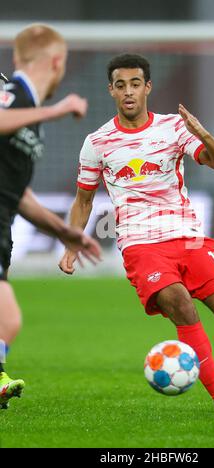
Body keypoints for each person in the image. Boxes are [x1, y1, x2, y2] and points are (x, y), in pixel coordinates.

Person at [59, 54, 214, 420]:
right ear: (110, 90)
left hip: (190, 238)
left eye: (134, 84)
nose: (128, 92)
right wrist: (70, 243)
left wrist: (202, 133)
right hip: (141, 245)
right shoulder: (97, 142)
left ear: (147, 87)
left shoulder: (173, 128)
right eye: (120, 85)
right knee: (180, 305)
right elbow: (83, 199)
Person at [0, 24, 101, 409]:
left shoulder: (25, 106)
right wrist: (58, 110)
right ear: (57, 62)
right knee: (7, 320)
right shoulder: (16, 95)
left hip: (3, 226)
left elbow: (17, 193)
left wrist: (64, 232)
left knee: (6, 320)